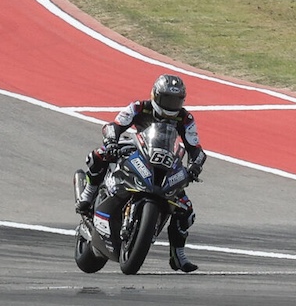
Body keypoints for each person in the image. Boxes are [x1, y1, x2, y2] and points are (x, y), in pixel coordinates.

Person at [74, 74, 203, 272]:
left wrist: (195, 166)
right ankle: (89, 193)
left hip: (165, 162)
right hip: (136, 150)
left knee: (186, 210)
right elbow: (115, 125)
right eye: (167, 99)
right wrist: (111, 142)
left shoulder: (185, 118)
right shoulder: (138, 107)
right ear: (155, 96)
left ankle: (178, 254)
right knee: (99, 155)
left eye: (176, 100)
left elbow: (196, 149)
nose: (171, 104)